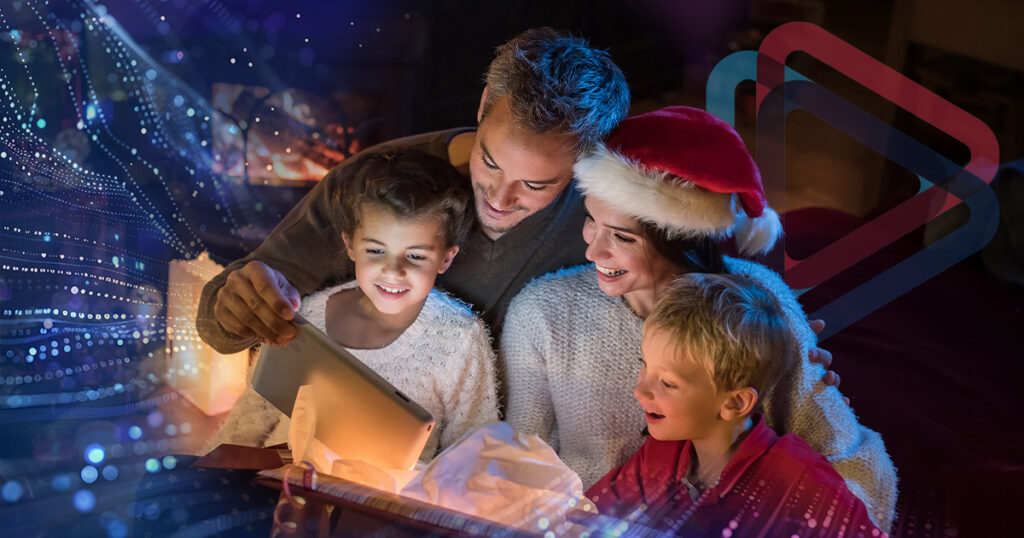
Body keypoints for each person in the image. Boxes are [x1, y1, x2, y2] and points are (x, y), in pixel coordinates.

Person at [501, 106, 896, 530]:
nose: (593, 252)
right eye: (591, 222)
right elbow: (518, 471)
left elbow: (854, 470)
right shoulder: (541, 313)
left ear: (681, 240)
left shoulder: (759, 302)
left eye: (621, 236)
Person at [196, 27, 630, 351]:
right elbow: (218, 325)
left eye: (536, 185)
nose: (498, 199)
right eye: (490, 162)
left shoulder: (607, 215)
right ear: (482, 106)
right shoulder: (375, 181)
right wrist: (238, 306)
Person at [202, 149, 499, 461]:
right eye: (375, 250)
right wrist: (210, 469)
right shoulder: (309, 314)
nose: (393, 271)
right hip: (280, 484)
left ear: (445, 258)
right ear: (351, 246)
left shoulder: (460, 338)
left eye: (415, 256)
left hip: (383, 504)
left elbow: (473, 449)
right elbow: (252, 415)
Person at [585, 273, 882, 537]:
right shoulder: (659, 455)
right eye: (645, 366)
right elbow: (588, 515)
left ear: (735, 402)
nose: (640, 390)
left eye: (667, 383)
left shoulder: (796, 477)